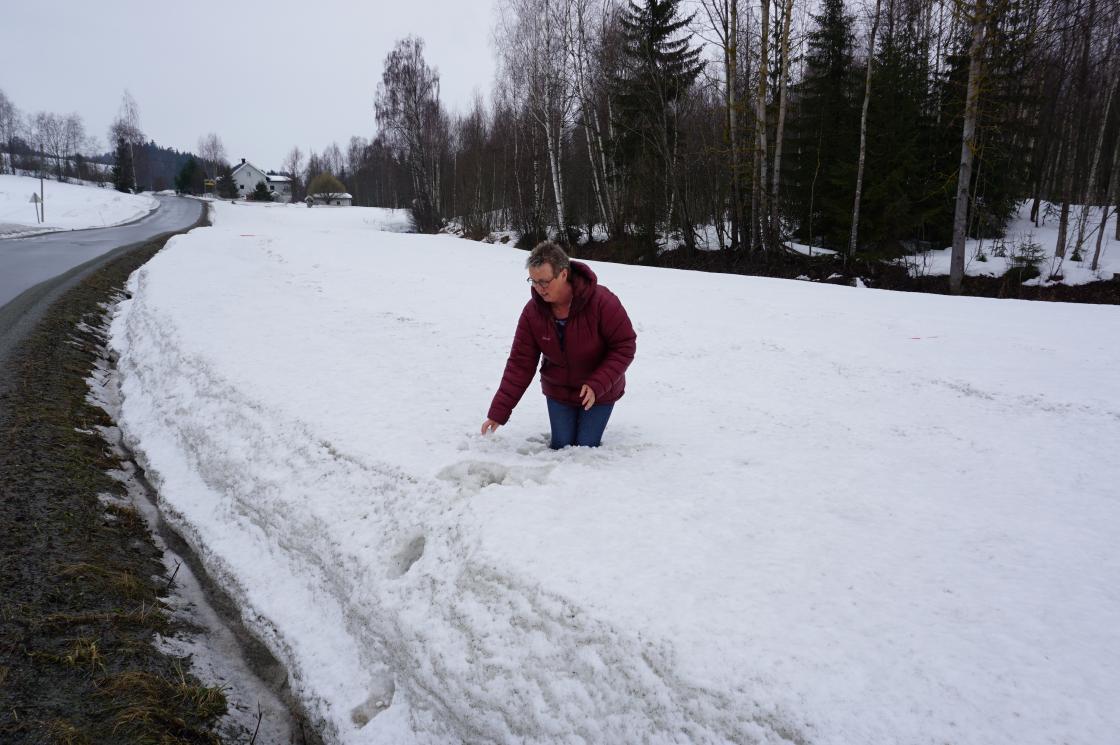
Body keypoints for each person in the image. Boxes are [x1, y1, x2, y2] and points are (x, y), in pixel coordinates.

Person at [481, 241, 637, 449]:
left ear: (563, 274)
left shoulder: (602, 301)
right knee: (561, 446)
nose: (539, 289)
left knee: (585, 447)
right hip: (559, 391)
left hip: (599, 391)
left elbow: (624, 346)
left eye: (544, 282)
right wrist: (498, 413)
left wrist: (598, 384)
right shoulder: (532, 313)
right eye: (533, 281)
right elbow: (520, 364)